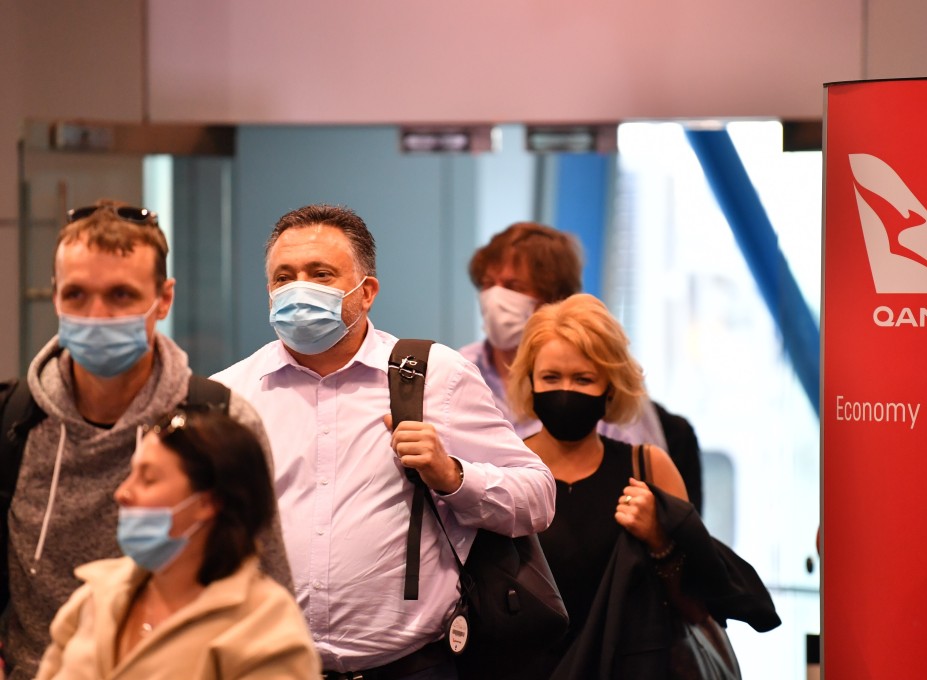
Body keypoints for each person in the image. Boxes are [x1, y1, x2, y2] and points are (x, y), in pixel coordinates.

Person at [211, 204, 555, 679]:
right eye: (283, 277)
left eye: (321, 273)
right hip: (268, 665)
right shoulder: (231, 395)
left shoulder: (434, 377)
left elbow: (537, 497)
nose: (298, 289)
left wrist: (452, 476)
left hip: (409, 667)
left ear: (366, 291)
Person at [0, 200, 292, 680]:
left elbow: (267, 594)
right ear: (54, 296)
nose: (96, 316)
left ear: (164, 298)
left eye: (120, 295)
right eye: (76, 295)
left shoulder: (219, 423)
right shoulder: (15, 421)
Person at [506, 294, 779, 678]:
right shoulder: (505, 468)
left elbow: (696, 607)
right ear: (530, 382)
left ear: (610, 388)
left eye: (583, 378)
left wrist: (659, 540)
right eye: (551, 377)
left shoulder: (648, 467)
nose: (566, 390)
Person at [35, 406, 320, 679]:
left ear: (208, 502)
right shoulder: (96, 595)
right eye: (130, 474)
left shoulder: (263, 626)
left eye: (147, 479)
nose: (122, 493)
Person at [461, 222, 704, 512]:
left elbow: (646, 493)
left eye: (513, 286)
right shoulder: (460, 372)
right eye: (487, 284)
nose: (494, 298)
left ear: (552, 297)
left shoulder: (603, 370)